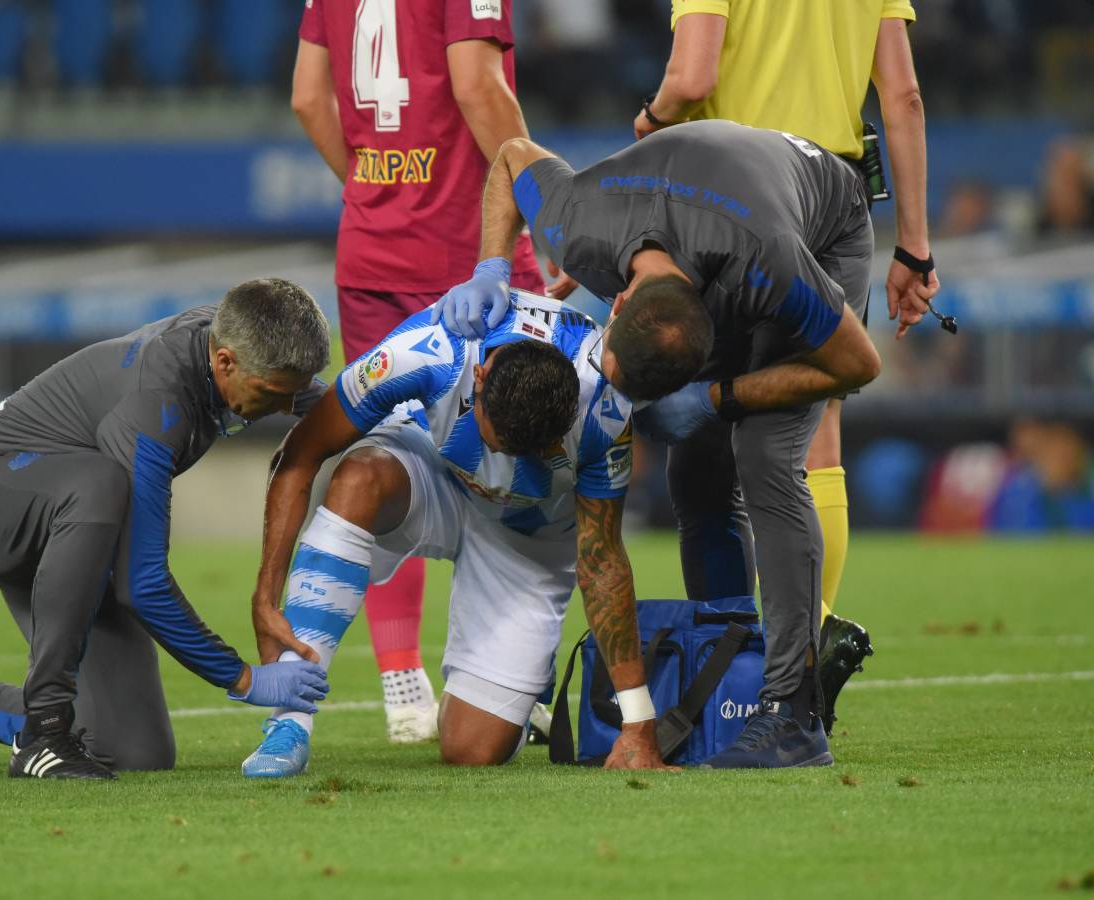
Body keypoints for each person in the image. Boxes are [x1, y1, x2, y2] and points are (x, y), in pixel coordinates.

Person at [433, 123, 882, 767]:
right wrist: (492, 268)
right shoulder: (575, 225)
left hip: (819, 223)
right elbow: (510, 157)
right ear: (616, 302)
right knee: (696, 467)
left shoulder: (772, 266)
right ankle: (724, 666)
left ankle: (793, 713)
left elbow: (858, 366)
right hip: (710, 219)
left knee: (763, 459)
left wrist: (716, 398)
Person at [0, 280, 332, 780]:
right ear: (226, 362)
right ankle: (45, 734)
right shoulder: (155, 402)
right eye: (273, 395)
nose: (281, 408)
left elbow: (315, 396)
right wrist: (245, 678)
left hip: (73, 521)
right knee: (102, 483)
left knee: (134, 751)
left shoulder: (228, 340)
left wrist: (390, 416)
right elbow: (142, 585)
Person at [629, 0, 939, 730]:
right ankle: (808, 648)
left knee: (708, 453)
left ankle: (739, 669)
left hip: (732, 196)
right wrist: (915, 248)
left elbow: (692, 72)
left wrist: (649, 121)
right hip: (836, 204)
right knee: (810, 434)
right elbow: (904, 97)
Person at [241, 289, 697, 776]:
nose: (504, 466)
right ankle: (289, 721)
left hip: (529, 541)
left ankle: (522, 702)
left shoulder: (605, 415)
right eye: (496, 443)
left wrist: (638, 721)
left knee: (471, 750)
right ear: (478, 379)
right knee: (359, 477)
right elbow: (299, 457)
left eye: (529, 454)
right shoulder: (424, 352)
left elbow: (602, 559)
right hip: (434, 473)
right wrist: (265, 597)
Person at [289, 0, 559, 744]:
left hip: (372, 248)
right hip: (471, 251)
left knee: (389, 451)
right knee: (518, 446)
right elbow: (478, 87)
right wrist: (539, 210)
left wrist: (376, 194)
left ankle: (400, 680)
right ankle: (516, 680)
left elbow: (308, 97)